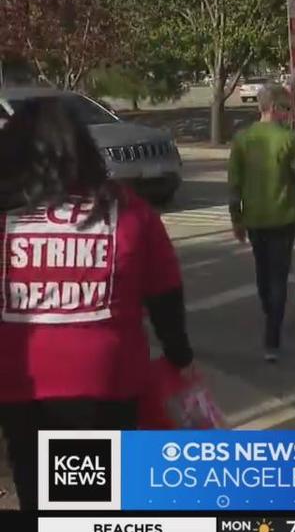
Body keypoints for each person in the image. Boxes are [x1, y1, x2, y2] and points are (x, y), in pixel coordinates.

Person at [0, 100, 194, 509]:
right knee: (94, 500)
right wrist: (179, 355)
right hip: (107, 380)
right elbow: (164, 293)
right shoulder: (127, 210)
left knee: (40, 496)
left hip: (20, 381)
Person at [228, 84, 295, 362]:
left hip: (254, 217)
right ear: (274, 107)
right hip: (282, 215)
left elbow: (234, 184)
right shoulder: (290, 139)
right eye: (285, 108)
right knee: (278, 275)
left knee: (263, 271)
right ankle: (272, 335)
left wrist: (235, 218)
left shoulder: (242, 138)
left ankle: (270, 315)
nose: (288, 113)